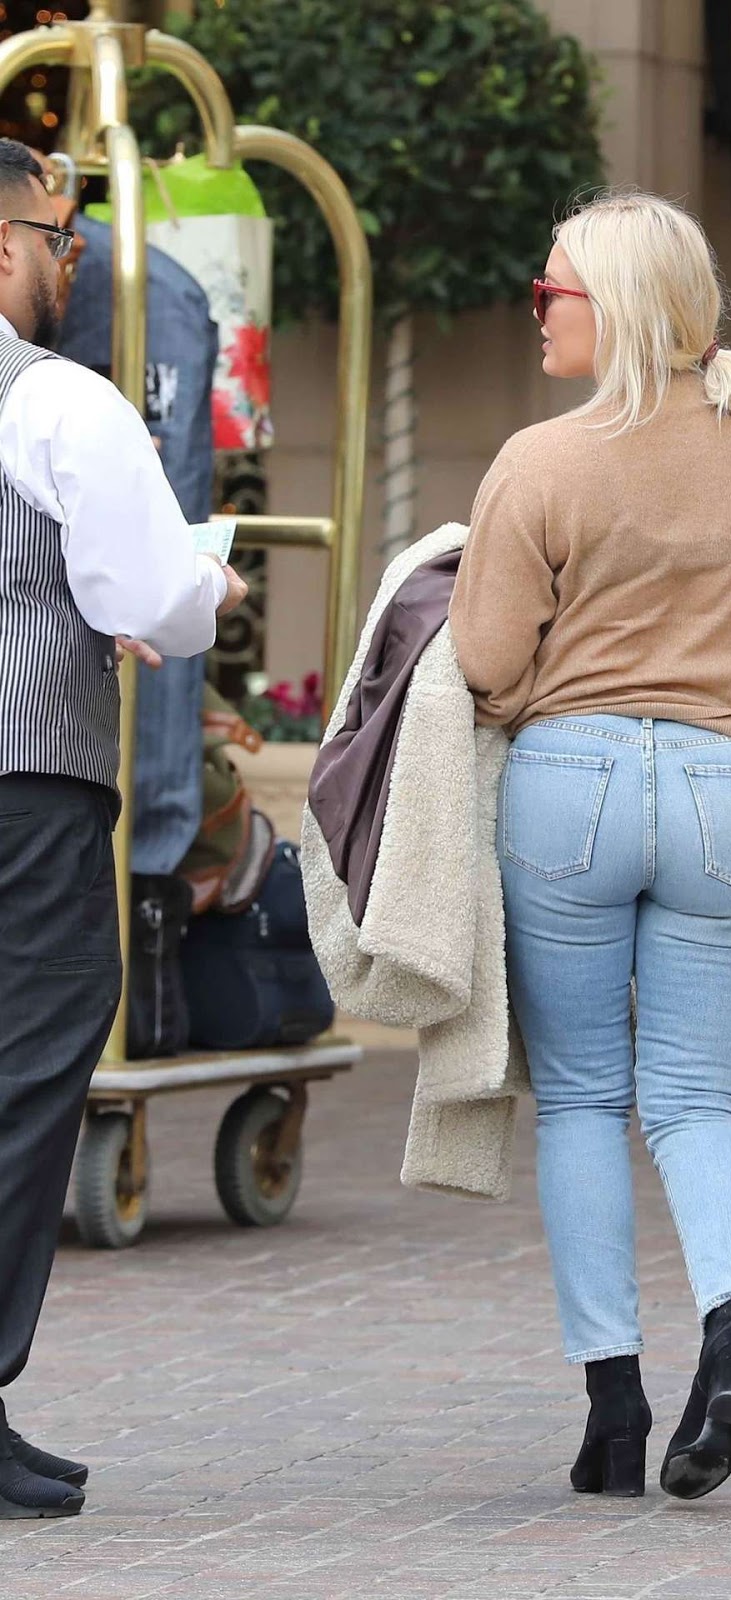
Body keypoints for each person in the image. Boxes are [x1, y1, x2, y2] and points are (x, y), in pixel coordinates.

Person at [449, 190, 731, 1501]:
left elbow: (485, 660)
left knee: (583, 1102)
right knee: (697, 1103)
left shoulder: (541, 463)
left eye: (552, 291)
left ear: (613, 305)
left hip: (572, 788)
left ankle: (614, 1408)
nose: (537, 311)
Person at [0, 138, 246, 1519]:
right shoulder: (55, 400)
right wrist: (201, 584)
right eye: (60, 239)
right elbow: (153, 599)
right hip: (27, 781)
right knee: (31, 1067)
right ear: (2, 245)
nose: (71, 263)